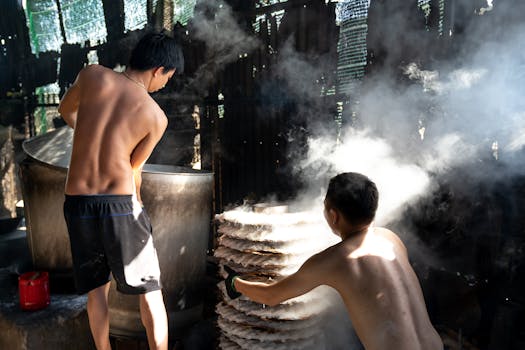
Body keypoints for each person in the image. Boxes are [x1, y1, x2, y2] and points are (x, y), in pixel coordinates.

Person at [59, 31, 183, 350]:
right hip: (118, 206)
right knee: (151, 291)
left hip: (77, 203)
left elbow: (66, 110)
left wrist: (89, 129)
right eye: (167, 77)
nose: (165, 84)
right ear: (158, 70)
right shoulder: (156, 116)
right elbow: (133, 169)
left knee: (97, 290)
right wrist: (137, 205)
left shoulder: (92, 75)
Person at [225, 172, 443, 350]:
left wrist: (235, 282)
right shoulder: (392, 239)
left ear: (333, 215)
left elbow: (271, 296)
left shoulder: (336, 259)